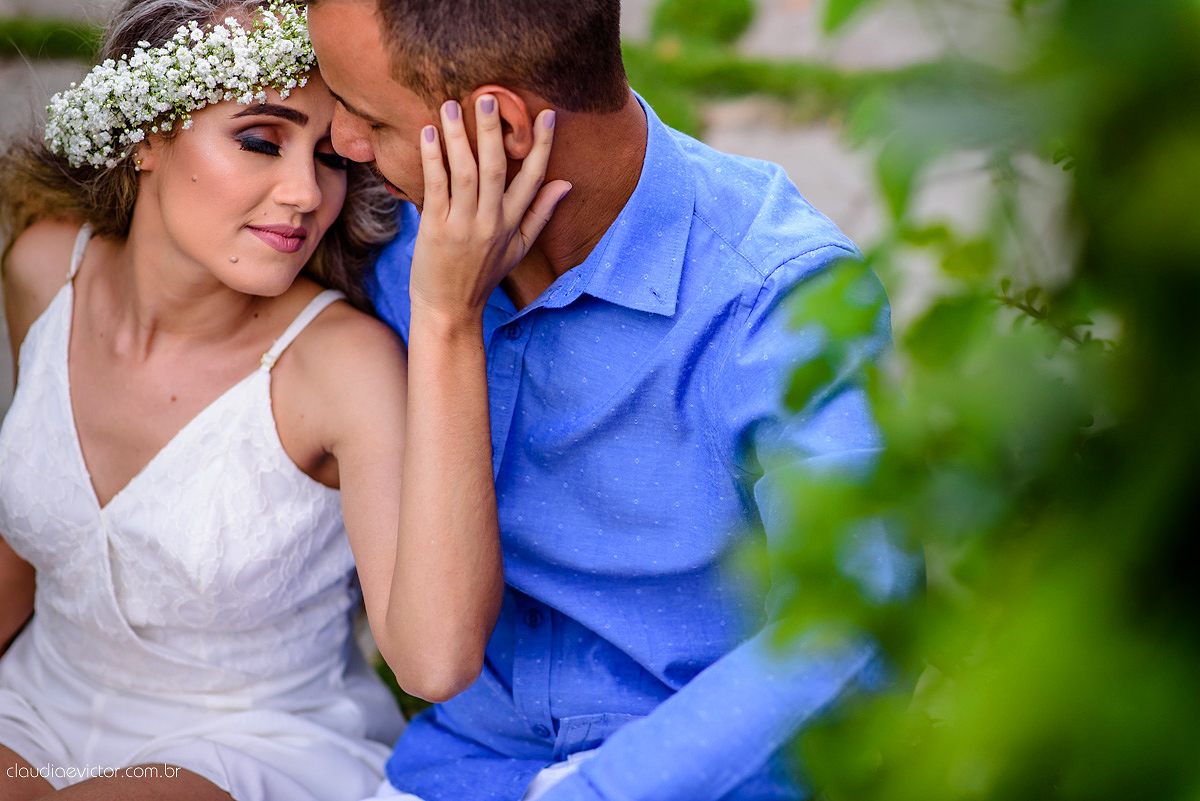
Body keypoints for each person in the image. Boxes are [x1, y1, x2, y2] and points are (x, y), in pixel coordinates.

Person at [304, 1, 922, 800]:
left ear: (502, 133)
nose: (341, 144)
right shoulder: (393, 243)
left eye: (369, 120)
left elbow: (850, 624)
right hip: (457, 771)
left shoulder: (772, 297)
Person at [0, 1, 569, 799]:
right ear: (147, 137)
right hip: (29, 706)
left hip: (246, 745)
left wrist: (448, 316)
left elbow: (435, 661)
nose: (306, 192)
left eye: (332, 157)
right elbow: (28, 549)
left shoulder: (338, 370)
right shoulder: (41, 270)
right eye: (261, 141)